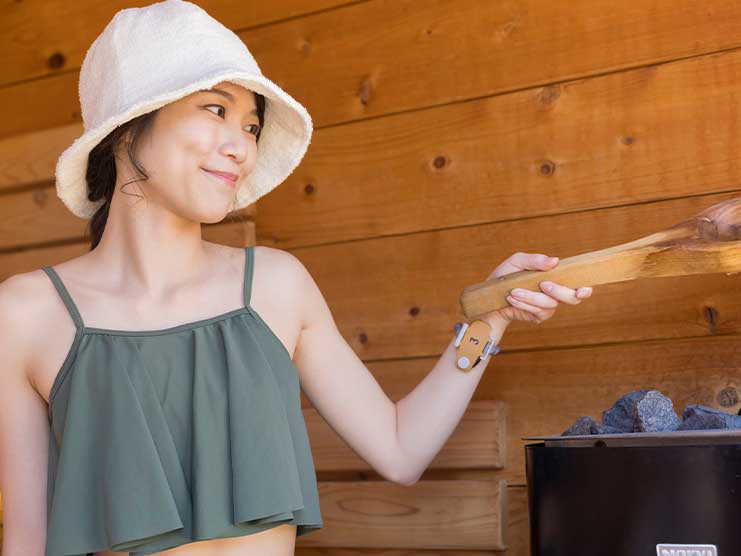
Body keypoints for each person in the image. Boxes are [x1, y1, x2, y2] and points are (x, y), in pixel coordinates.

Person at [0, 1, 593, 555]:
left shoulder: (277, 287)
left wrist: (488, 321)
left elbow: (400, 449)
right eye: (214, 110)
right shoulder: (25, 315)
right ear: (128, 128)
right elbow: (26, 542)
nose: (240, 146)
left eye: (252, 126)